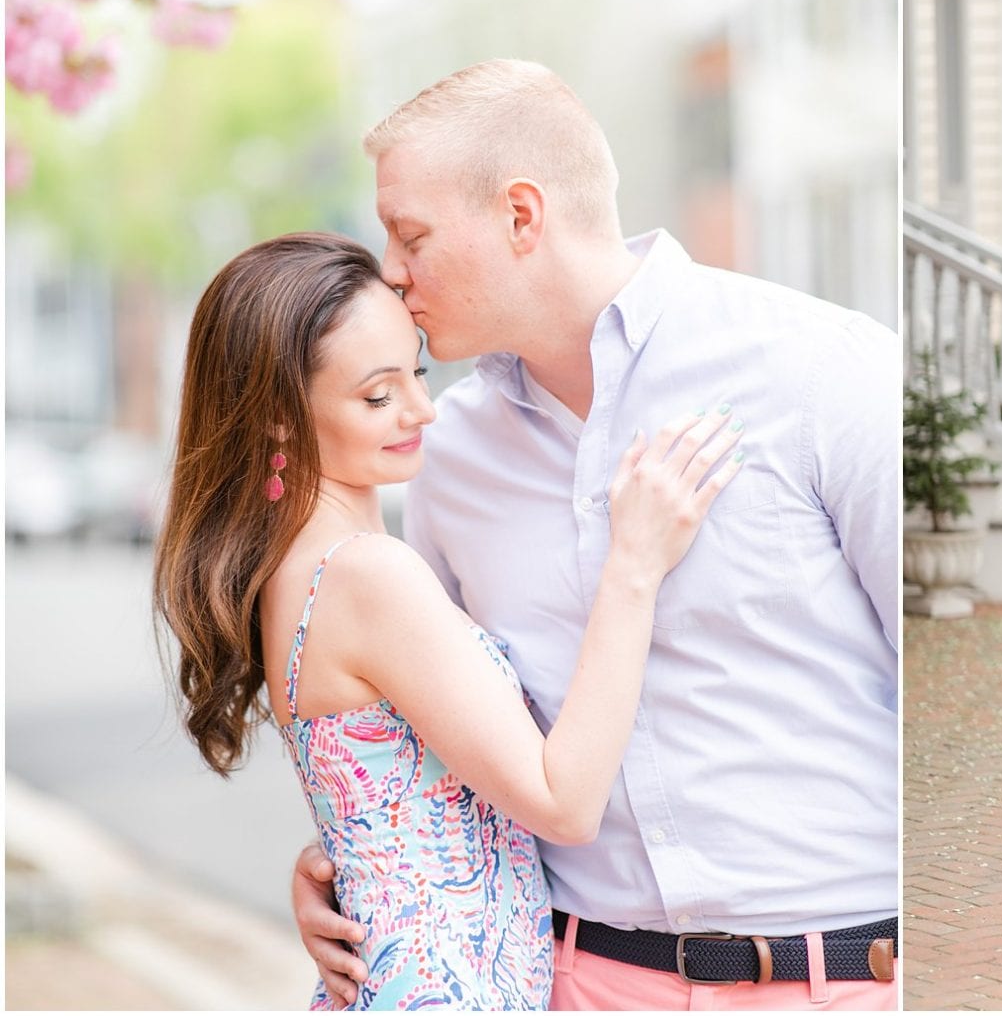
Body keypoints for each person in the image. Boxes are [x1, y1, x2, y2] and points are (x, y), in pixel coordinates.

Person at [291, 60, 900, 1009]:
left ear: (521, 215)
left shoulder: (820, 373)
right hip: (583, 983)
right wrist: (349, 860)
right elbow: (448, 737)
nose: (392, 272)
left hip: (844, 978)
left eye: (411, 235)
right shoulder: (447, 458)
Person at [153, 232, 744, 1009]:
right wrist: (633, 564)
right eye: (377, 394)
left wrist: (342, 867)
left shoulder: (295, 571)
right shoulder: (368, 573)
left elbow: (392, 798)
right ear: (277, 418)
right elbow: (562, 800)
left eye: (419, 372)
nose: (422, 409)